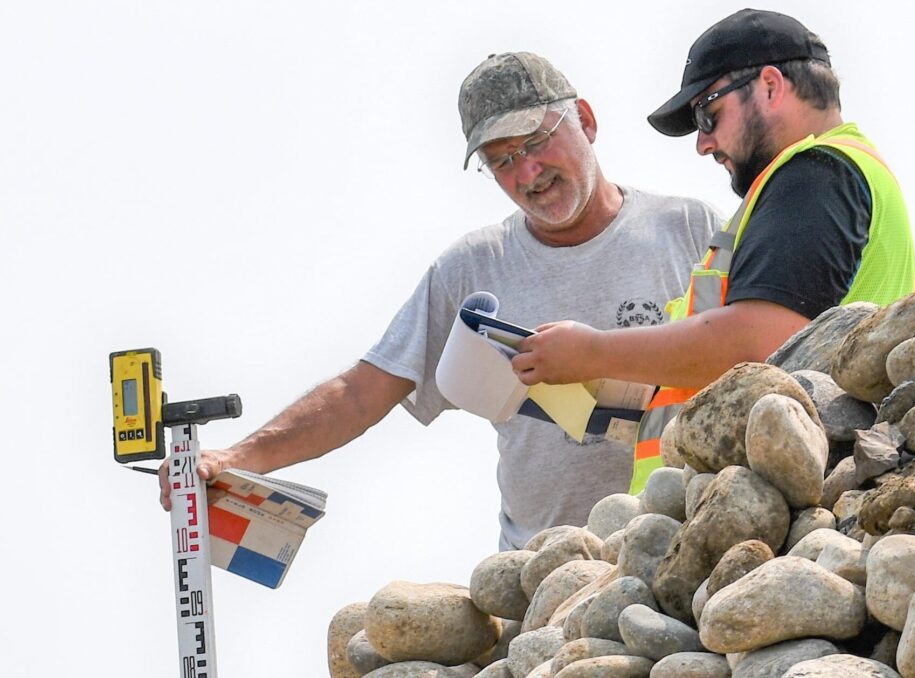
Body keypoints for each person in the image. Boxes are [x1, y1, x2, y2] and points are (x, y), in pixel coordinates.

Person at [159, 52, 722, 550]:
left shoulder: (687, 229)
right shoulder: (475, 268)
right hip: (540, 577)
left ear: (587, 122)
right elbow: (361, 392)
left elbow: (759, 355)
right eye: (500, 161)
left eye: (535, 142)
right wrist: (236, 460)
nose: (527, 173)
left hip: (675, 546)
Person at [511, 10, 915, 492]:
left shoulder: (815, 175)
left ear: (770, 86)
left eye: (708, 112)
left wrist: (593, 352)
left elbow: (756, 343)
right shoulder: (826, 176)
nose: (703, 143)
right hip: (748, 509)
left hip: (766, 516)